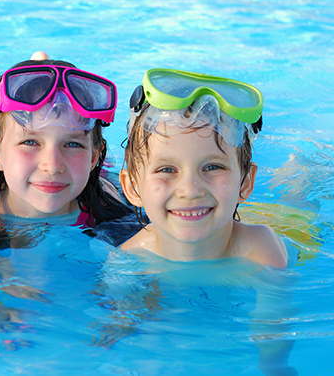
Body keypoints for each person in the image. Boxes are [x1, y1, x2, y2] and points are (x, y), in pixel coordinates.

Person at [0, 58, 133, 238]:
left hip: (93, 176)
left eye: (73, 144)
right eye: (30, 142)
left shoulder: (103, 203)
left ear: (93, 157)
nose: (52, 166)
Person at [119, 68, 288, 268]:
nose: (190, 190)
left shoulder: (259, 249)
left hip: (291, 228)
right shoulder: (129, 260)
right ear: (131, 187)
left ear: (246, 182)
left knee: (296, 202)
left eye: (213, 167)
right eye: (166, 170)